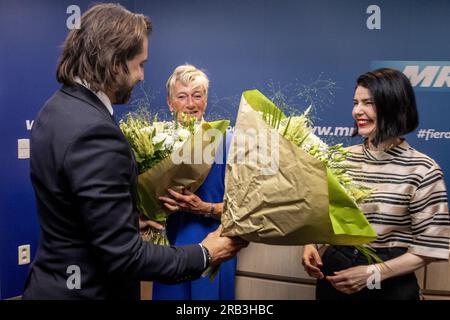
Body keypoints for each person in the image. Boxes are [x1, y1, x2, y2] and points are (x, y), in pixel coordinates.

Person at [23, 4, 247, 300]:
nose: (142, 76)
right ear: (116, 63)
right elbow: (124, 256)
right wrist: (206, 253)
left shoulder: (55, 109)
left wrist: (127, 221)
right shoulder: (95, 131)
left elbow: (81, 214)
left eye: (198, 95)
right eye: (140, 64)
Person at [302, 68, 450, 300]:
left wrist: (372, 273)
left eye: (368, 103)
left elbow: (429, 248)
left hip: (389, 280)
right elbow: (318, 214)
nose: (356, 111)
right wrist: (309, 244)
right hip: (335, 273)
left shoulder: (423, 169)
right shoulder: (340, 158)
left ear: (394, 106)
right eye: (356, 102)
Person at [151, 64, 237, 300]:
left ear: (205, 101)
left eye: (197, 96)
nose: (190, 103)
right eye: (182, 96)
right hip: (170, 251)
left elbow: (245, 210)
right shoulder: (156, 144)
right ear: (170, 103)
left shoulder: (227, 141)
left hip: (215, 248)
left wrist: (204, 208)